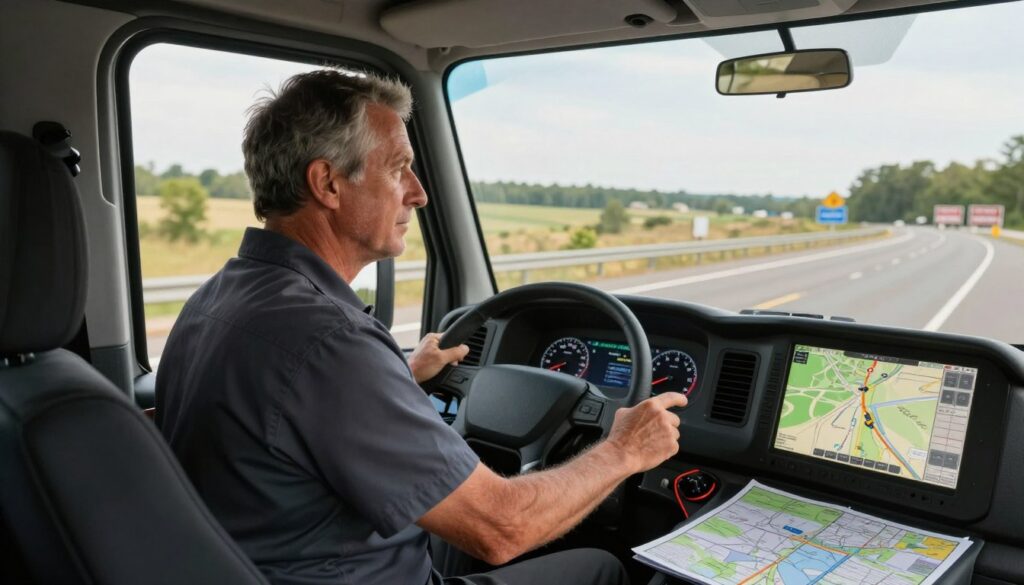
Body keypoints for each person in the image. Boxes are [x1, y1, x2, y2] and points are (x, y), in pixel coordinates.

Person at [155, 69, 687, 585]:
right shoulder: (332, 344)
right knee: (603, 567)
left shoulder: (220, 297)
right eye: (398, 168)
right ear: (328, 184)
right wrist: (625, 450)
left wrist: (400, 378)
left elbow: (287, 418)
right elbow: (501, 529)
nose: (418, 193)